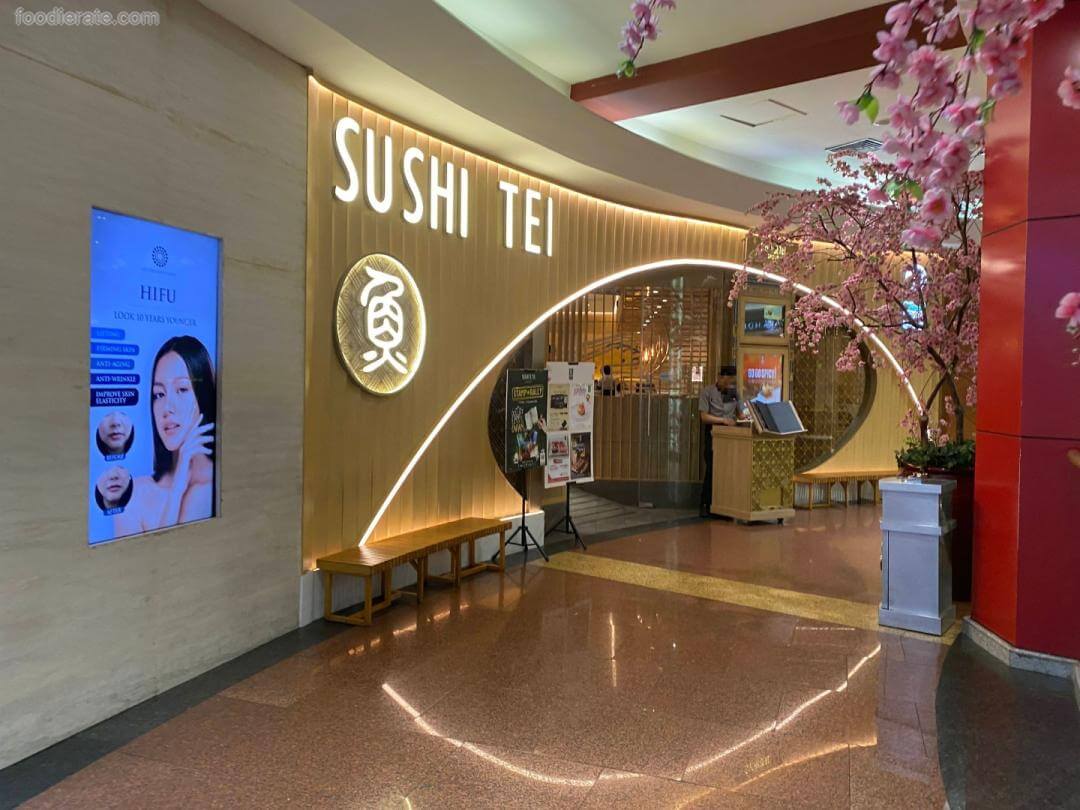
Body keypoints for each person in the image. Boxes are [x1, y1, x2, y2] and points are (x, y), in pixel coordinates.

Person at [115, 336, 216, 536]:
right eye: (159, 394)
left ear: (204, 395)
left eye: (182, 389)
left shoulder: (216, 487)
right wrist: (177, 490)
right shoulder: (134, 495)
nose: (166, 408)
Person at [699, 365, 740, 518]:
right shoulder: (707, 392)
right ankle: (706, 504)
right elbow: (704, 416)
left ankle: (725, 506)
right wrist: (722, 420)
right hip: (713, 432)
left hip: (730, 435)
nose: (729, 385)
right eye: (727, 381)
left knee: (727, 470)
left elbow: (741, 414)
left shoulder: (734, 393)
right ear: (720, 377)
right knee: (712, 469)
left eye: (731, 382)